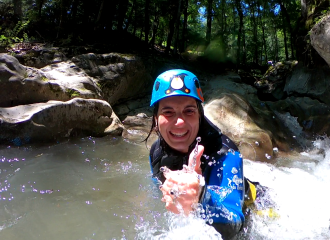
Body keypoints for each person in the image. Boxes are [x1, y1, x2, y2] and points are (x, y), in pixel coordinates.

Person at [144, 69, 256, 239]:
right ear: (155, 119)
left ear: (199, 115)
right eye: (168, 112)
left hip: (255, 206)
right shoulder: (156, 152)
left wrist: (201, 194)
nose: (179, 122)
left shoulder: (225, 154)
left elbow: (233, 226)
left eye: (189, 111)